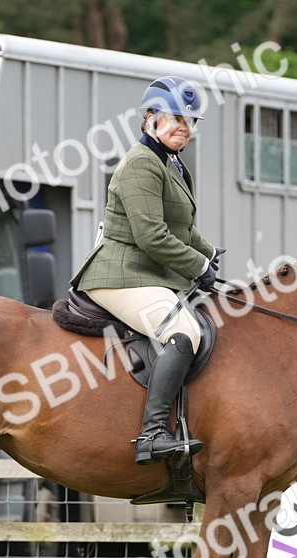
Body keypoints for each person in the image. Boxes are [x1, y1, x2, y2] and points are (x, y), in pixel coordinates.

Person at [70, 76, 224, 465]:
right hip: (118, 274)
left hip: (146, 273)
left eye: (190, 121)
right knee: (183, 330)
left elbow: (183, 229)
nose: (183, 128)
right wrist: (197, 265)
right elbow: (152, 236)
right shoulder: (141, 164)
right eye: (175, 118)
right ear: (150, 118)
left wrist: (210, 255)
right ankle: (152, 434)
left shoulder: (170, 163)